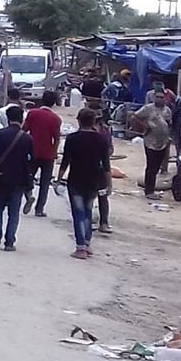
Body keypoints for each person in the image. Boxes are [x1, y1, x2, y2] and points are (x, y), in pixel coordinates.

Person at [58, 107, 112, 259]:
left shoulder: (72, 139)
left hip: (75, 180)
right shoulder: (101, 139)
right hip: (94, 180)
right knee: (88, 212)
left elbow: (65, 161)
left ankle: (80, 247)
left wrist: (58, 178)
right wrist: (109, 184)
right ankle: (87, 243)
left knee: (78, 213)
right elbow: (106, 164)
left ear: (78, 121)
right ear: (94, 121)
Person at [0, 105, 35, 251]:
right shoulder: (27, 138)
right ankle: (10, 241)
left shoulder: (0, 134)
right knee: (14, 211)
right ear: (22, 119)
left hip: (1, 176)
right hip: (19, 179)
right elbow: (31, 160)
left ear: (7, 118)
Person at [23, 91, 64, 217]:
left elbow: (24, 131)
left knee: (26, 178)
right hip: (48, 153)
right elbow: (57, 138)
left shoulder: (32, 113)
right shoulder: (56, 119)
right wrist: (55, 152)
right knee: (45, 183)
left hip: (32, 151)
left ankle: (29, 196)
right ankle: (39, 209)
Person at [133, 91, 173, 195]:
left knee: (157, 166)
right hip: (150, 141)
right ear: (154, 98)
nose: (160, 99)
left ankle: (151, 188)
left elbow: (169, 123)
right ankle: (149, 190)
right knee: (151, 165)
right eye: (158, 97)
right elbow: (135, 116)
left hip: (163, 141)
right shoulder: (148, 108)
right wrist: (144, 126)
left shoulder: (167, 110)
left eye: (162, 97)